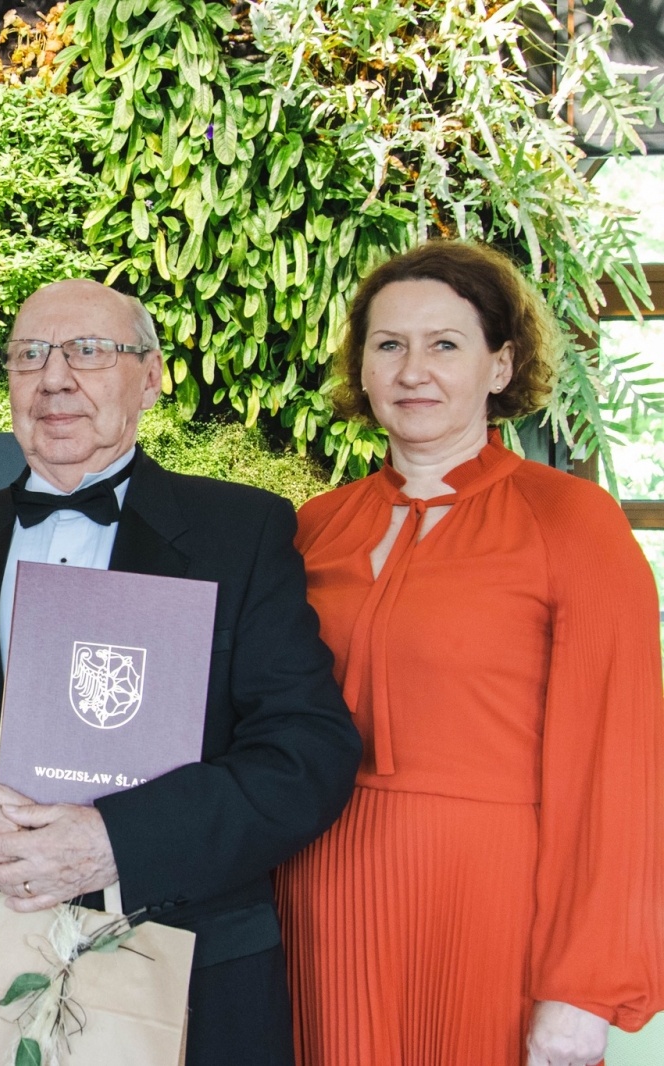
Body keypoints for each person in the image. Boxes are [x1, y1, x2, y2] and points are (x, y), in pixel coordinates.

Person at [0, 278, 362, 1066]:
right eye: (29, 355)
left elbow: (308, 755)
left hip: (187, 974)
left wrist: (120, 840)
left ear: (149, 378)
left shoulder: (239, 532)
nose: (54, 378)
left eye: (90, 352)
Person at [276, 240, 664, 1066]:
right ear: (363, 369)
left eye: (445, 344)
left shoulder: (573, 524)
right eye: (389, 345)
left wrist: (582, 990)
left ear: (500, 366)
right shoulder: (312, 528)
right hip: (319, 899)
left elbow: (616, 769)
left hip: (494, 903)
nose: (414, 369)